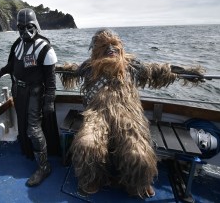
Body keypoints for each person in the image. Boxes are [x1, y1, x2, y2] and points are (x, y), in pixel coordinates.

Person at [56, 29, 205, 198]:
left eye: (114, 45)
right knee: (87, 144)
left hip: (128, 115)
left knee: (138, 152)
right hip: (97, 114)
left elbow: (156, 70)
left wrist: (183, 72)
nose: (111, 49)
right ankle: (92, 179)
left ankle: (137, 184)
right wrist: (54, 67)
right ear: (95, 50)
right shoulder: (89, 68)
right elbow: (71, 70)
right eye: (104, 46)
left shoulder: (131, 66)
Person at [0, 8, 58, 187]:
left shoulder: (44, 48)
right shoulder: (18, 45)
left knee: (33, 129)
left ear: (36, 25)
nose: (25, 31)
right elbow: (13, 64)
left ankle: (44, 166)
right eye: (21, 27)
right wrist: (1, 72)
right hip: (19, 91)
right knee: (23, 124)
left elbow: (51, 81)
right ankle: (29, 151)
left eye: (29, 27)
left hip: (35, 93)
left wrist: (49, 101)